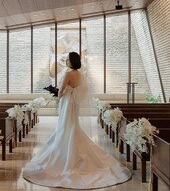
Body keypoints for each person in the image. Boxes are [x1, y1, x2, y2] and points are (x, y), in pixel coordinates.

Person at [23, 52, 132, 189]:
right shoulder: (80, 75)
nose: (67, 61)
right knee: (73, 124)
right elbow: (83, 90)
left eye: (68, 59)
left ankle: (64, 157)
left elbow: (61, 90)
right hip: (74, 103)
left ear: (72, 61)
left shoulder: (68, 74)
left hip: (67, 101)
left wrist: (55, 93)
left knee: (65, 125)